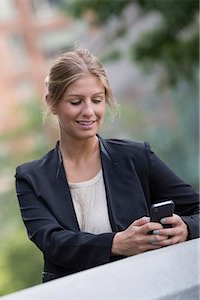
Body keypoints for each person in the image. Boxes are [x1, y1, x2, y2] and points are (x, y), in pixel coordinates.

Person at [14, 47, 199, 283]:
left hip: (145, 287)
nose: (89, 111)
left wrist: (186, 228)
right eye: (76, 101)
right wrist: (116, 243)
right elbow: (54, 243)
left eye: (97, 100)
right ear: (52, 103)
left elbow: (197, 210)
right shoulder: (31, 178)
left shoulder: (135, 157)